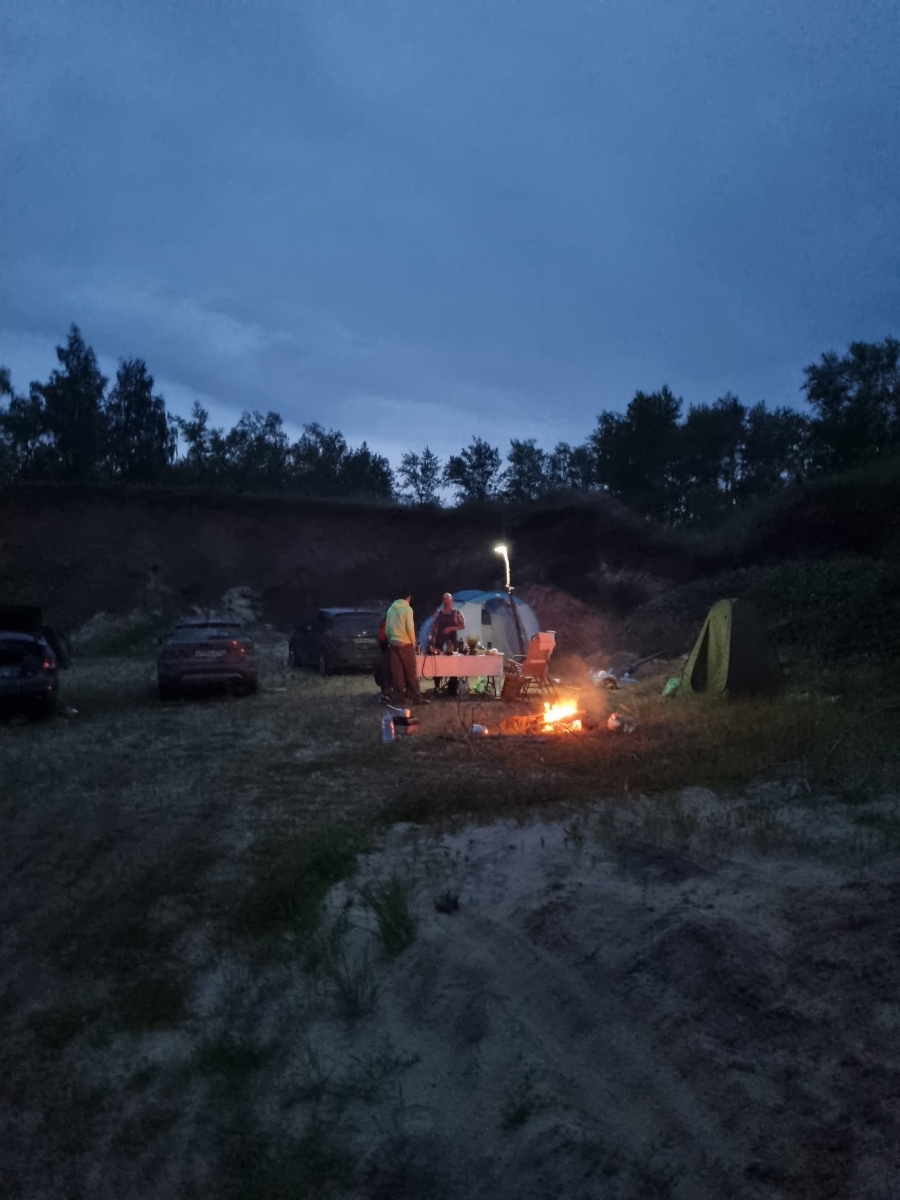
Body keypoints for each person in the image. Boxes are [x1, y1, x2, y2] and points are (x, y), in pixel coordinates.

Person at [385, 590, 427, 706]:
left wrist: (390, 639)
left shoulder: (391, 609)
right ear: (408, 597)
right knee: (410, 672)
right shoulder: (407, 609)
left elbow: (387, 629)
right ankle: (416, 698)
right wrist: (413, 642)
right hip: (405, 644)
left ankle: (399, 699)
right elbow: (410, 628)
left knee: (397, 673)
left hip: (393, 644)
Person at [428, 592, 466, 696]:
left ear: (451, 600)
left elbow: (463, 625)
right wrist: (431, 639)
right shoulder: (439, 613)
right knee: (437, 664)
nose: (446, 600)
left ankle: (452, 689)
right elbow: (434, 627)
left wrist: (451, 628)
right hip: (439, 642)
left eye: (448, 598)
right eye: (444, 599)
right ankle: (437, 687)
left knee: (453, 665)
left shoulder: (457, 612)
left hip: (452, 642)